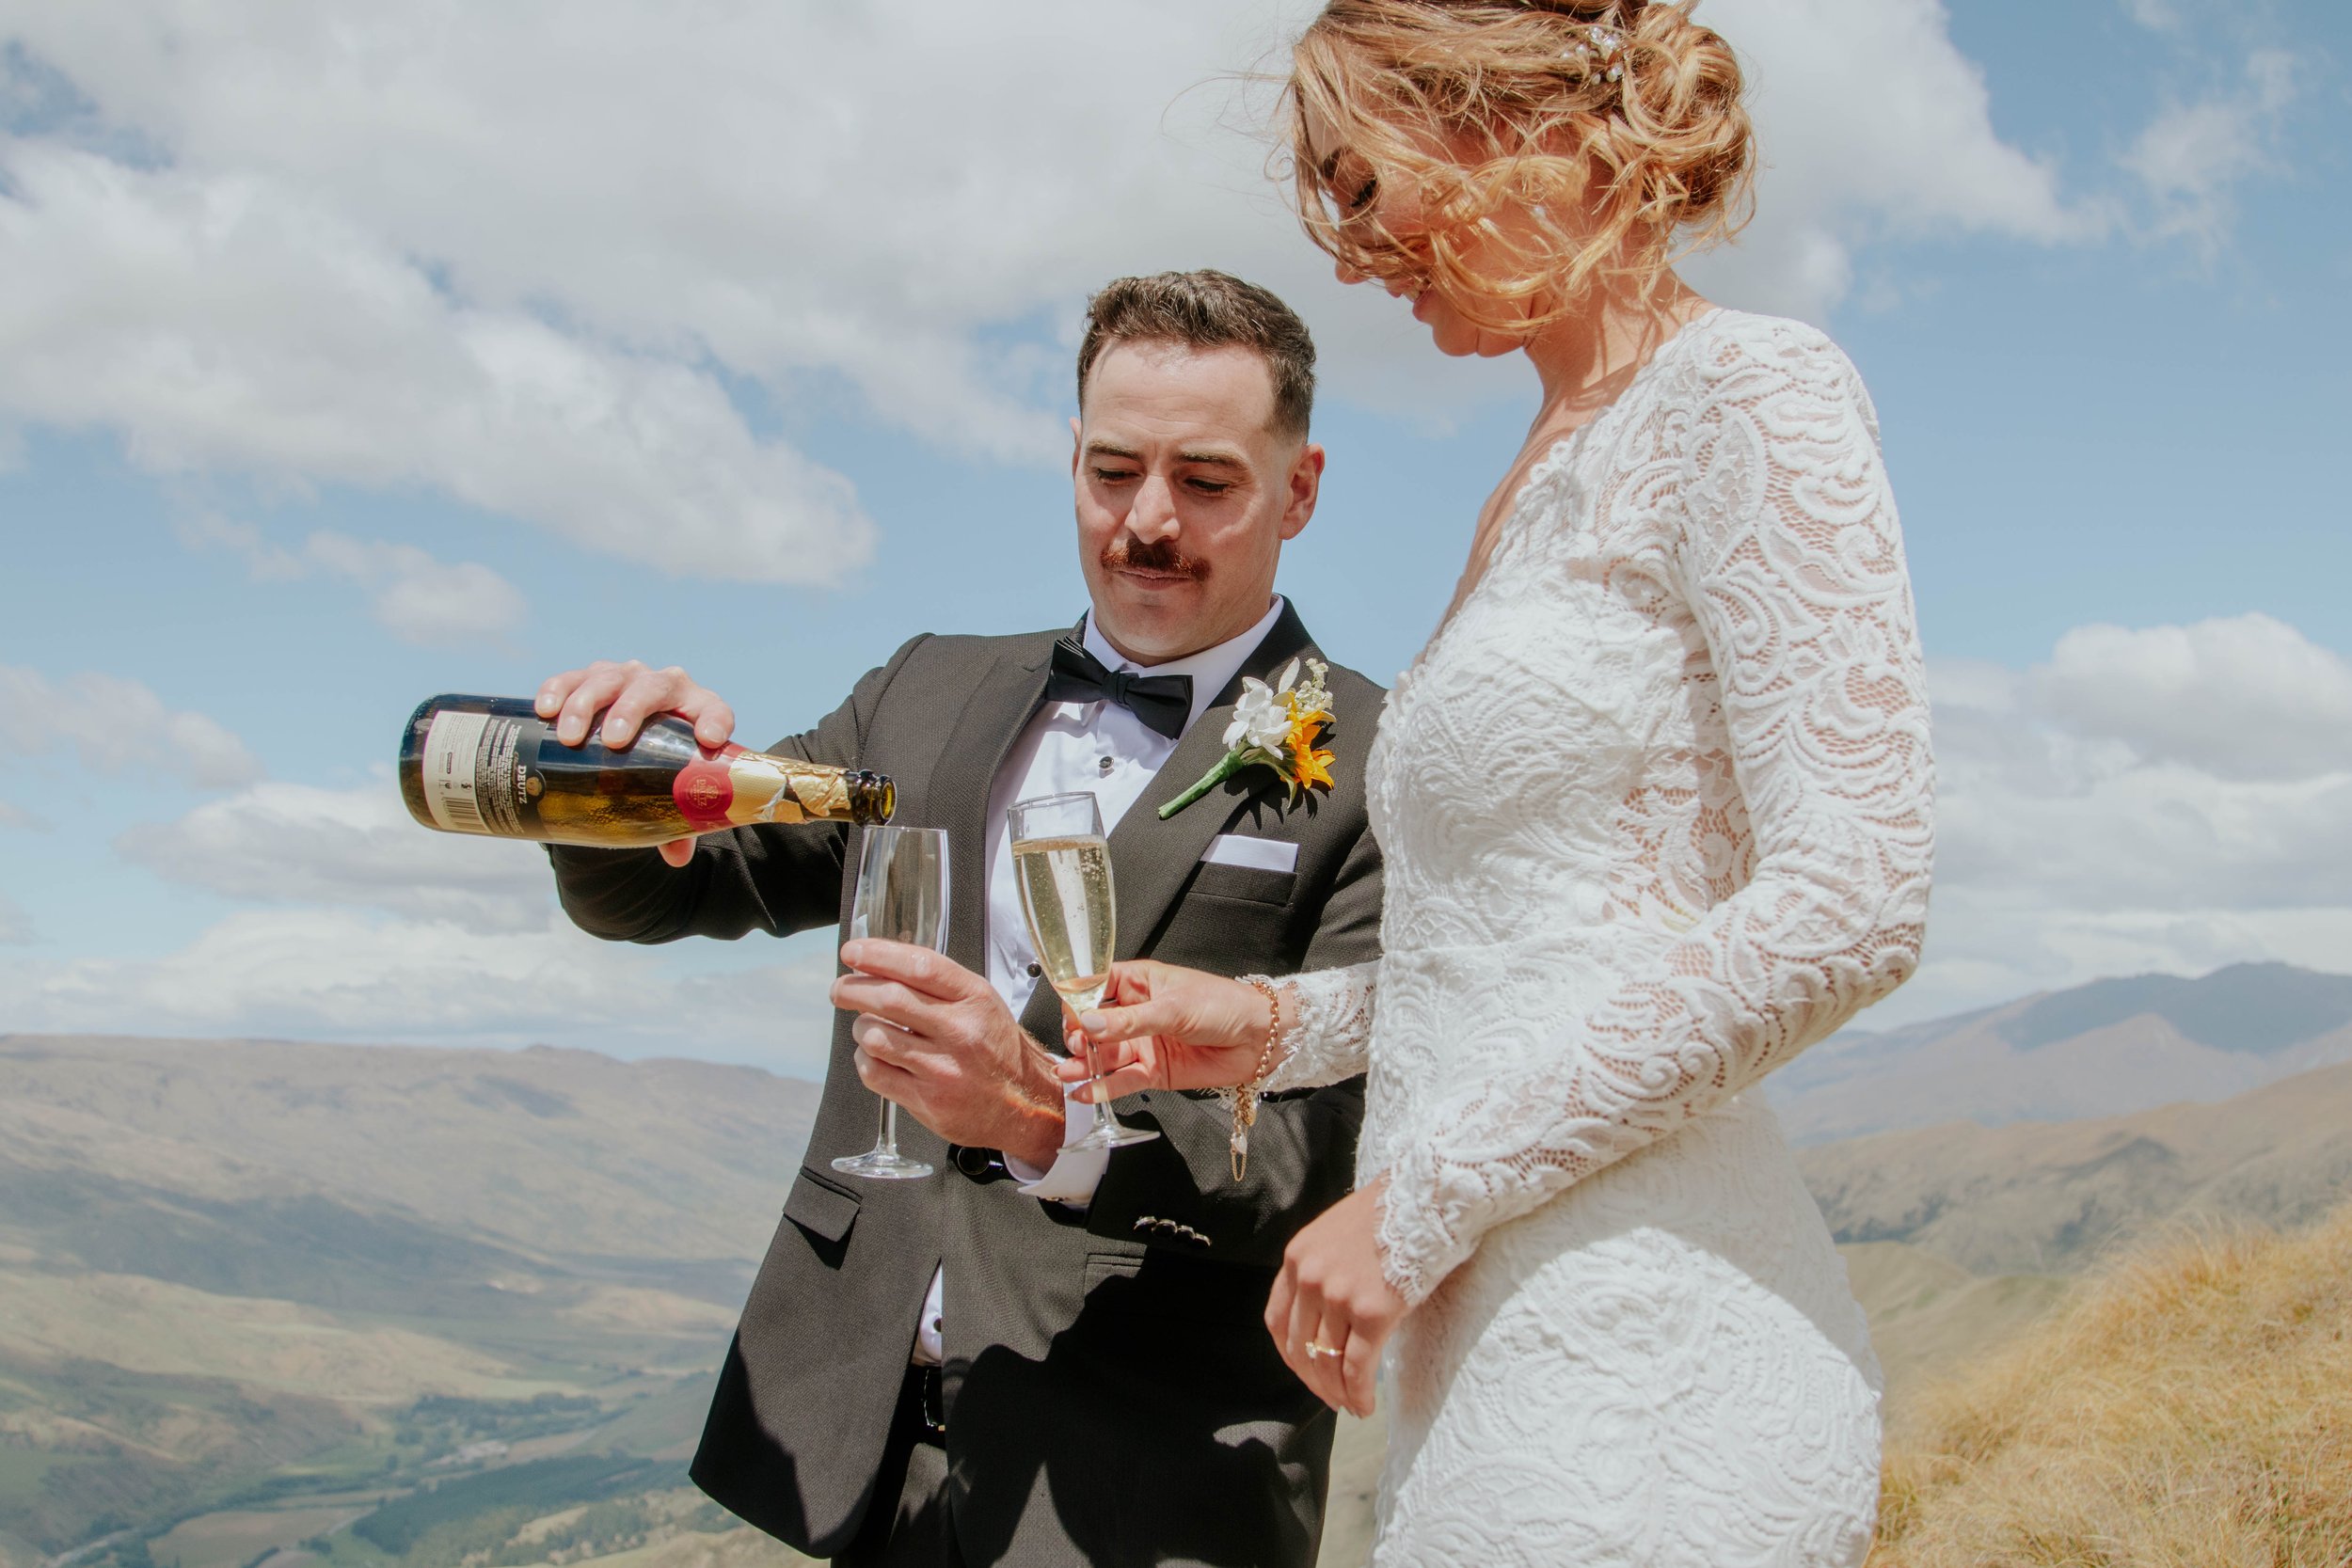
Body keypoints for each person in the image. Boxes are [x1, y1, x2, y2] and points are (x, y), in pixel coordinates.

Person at [1067, 5, 1936, 1564]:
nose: (1345, 255)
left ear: (1503, 115)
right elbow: (1513, 957)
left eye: (1356, 187)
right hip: (1483, 1342)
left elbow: (1849, 904)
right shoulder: (1536, 471)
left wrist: (1417, 1203)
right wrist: (1265, 1025)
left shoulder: (1754, 394)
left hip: (1644, 1344)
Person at [535, 269, 1386, 1567]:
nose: (1149, 520)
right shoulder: (928, 689)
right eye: (1114, 470)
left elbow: (1320, 1166)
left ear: (1301, 488)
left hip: (1148, 1477)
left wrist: (1045, 1121)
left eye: (1206, 481)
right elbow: (683, 886)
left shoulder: (1387, 763)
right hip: (863, 1442)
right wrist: (611, 784)